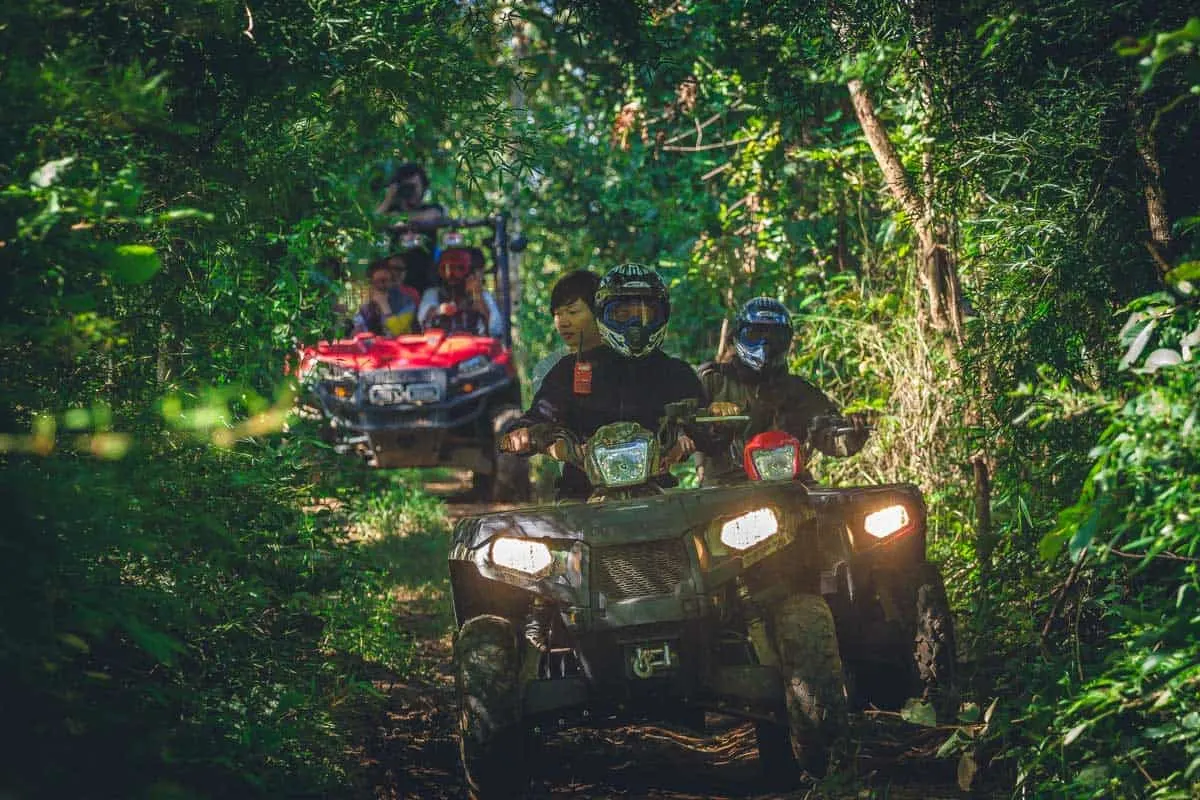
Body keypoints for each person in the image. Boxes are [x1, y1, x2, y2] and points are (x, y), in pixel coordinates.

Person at [501, 263, 711, 499]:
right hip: (580, 495)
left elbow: (707, 423)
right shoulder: (569, 371)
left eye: (646, 314)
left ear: (663, 316)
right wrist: (523, 432)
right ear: (602, 315)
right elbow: (542, 413)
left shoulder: (675, 372)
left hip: (658, 494)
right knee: (551, 535)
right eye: (622, 315)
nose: (635, 324)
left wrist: (706, 426)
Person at [697, 296, 869, 484]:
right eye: (755, 335)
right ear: (737, 336)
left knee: (840, 509)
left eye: (775, 338)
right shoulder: (712, 382)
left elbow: (833, 437)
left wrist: (853, 431)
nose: (765, 344)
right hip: (724, 491)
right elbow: (677, 423)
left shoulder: (800, 392)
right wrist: (701, 423)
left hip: (789, 487)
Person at [376, 162, 445, 293]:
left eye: (413, 186)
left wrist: (398, 219)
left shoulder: (432, 208)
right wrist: (389, 198)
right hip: (395, 281)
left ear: (423, 187)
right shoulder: (391, 211)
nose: (410, 192)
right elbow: (374, 221)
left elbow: (432, 216)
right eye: (406, 187)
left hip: (426, 280)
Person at [418, 246, 503, 337]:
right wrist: (440, 310)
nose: (451, 274)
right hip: (440, 347)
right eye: (446, 269)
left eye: (459, 268)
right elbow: (422, 317)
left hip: (474, 347)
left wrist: (477, 295)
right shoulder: (433, 293)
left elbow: (495, 328)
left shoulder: (483, 296)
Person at [352, 259, 421, 336]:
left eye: (385, 280)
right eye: (377, 281)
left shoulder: (407, 302)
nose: (381, 285)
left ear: (392, 282)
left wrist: (384, 306)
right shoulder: (365, 306)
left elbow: (398, 332)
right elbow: (358, 332)